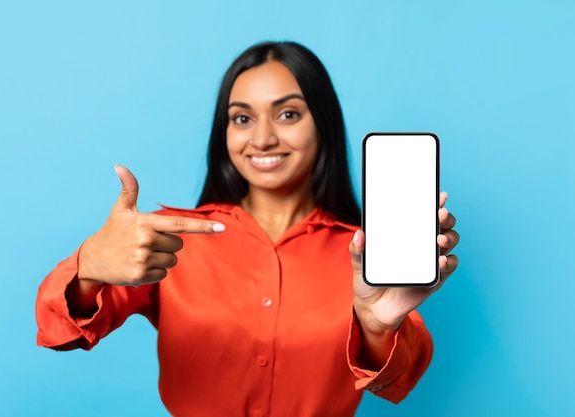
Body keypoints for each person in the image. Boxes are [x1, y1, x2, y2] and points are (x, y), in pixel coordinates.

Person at [35, 40, 459, 417]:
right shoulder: (173, 239)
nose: (262, 138)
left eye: (288, 114)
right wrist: (88, 266)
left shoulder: (365, 253)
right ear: (225, 132)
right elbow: (61, 333)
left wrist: (377, 326)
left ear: (323, 124)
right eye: (242, 119)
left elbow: (400, 379)